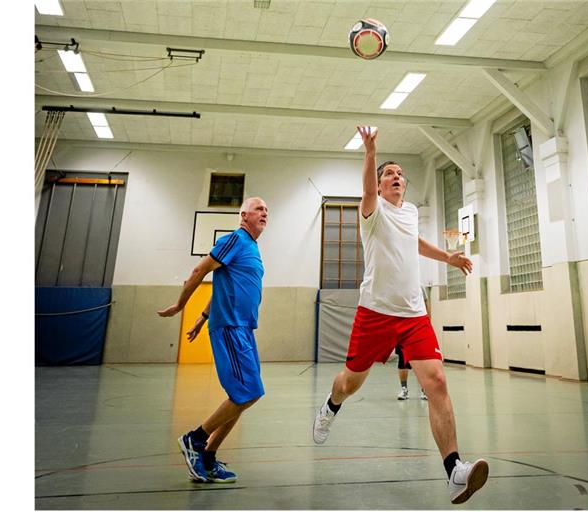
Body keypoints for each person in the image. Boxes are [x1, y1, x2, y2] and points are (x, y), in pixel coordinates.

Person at [312, 126, 489, 505]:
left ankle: (454, 470)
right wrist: (371, 152)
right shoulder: (371, 212)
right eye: (388, 173)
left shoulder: (409, 211)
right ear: (378, 185)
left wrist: (448, 257)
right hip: (375, 311)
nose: (396, 177)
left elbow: (415, 242)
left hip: (413, 312)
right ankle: (330, 406)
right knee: (350, 383)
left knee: (437, 381)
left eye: (399, 174)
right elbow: (367, 189)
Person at [158, 197, 269, 483]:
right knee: (249, 393)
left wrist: (202, 316)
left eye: (266, 210)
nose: (264, 212)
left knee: (242, 398)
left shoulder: (251, 248)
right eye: (259, 208)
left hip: (244, 328)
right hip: (231, 328)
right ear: (243, 215)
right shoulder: (235, 239)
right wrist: (182, 306)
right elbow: (200, 270)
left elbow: (225, 284)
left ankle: (208, 457)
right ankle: (195, 440)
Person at [396, 286, 429, 401]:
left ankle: (424, 390)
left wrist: (428, 323)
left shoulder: (420, 287)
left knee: (422, 361)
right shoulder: (398, 286)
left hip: (418, 328)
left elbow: (426, 304)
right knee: (403, 361)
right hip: (402, 329)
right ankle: (404, 390)